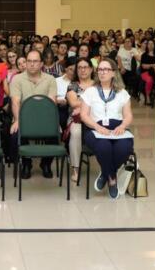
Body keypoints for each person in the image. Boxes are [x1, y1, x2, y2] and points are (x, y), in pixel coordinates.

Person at [80, 58, 133, 199]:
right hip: (95, 129)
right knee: (104, 147)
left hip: (117, 129)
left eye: (106, 69)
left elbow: (128, 116)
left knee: (124, 148)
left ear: (114, 73)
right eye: (100, 69)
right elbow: (84, 115)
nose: (102, 72)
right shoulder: (90, 91)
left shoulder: (122, 93)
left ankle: (105, 173)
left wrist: (122, 126)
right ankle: (112, 180)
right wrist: (97, 127)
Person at [9, 49, 59, 179]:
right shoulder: (17, 79)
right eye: (29, 61)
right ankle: (26, 163)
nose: (31, 64)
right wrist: (17, 120)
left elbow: (51, 103)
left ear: (41, 63)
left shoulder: (50, 79)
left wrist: (52, 122)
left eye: (35, 61)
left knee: (55, 132)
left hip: (44, 118)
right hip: (24, 118)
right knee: (15, 134)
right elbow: (15, 102)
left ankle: (46, 163)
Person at [64, 57, 95, 183]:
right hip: (77, 119)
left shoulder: (98, 84)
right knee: (76, 133)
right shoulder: (72, 85)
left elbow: (104, 102)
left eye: (85, 67)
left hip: (95, 118)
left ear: (91, 69)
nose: (83, 70)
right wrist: (91, 102)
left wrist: (82, 102)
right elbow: (73, 103)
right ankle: (76, 168)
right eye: (80, 67)